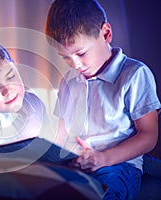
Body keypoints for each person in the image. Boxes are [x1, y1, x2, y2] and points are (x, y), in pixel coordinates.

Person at [45, 0, 160, 199]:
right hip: (76, 163)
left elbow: (149, 136)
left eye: (81, 53)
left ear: (106, 34)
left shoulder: (133, 74)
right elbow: (62, 131)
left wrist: (103, 158)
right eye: (65, 57)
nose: (75, 64)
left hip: (117, 165)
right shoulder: (69, 82)